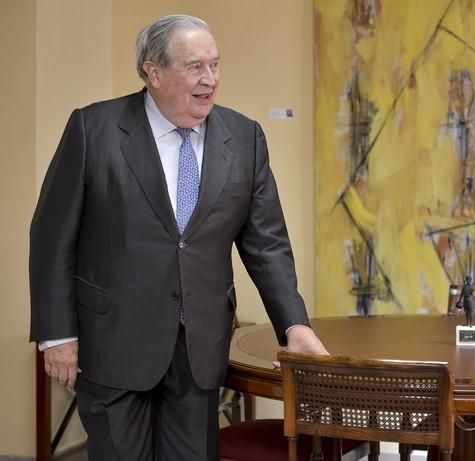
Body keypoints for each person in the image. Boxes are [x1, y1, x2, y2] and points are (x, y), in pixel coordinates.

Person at [29, 14, 327, 461]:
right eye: (194, 67)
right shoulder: (95, 130)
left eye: (215, 65)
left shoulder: (245, 138)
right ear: (153, 71)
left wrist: (294, 324)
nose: (210, 79)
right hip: (112, 345)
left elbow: (267, 244)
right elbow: (52, 237)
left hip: (199, 350)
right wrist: (57, 336)